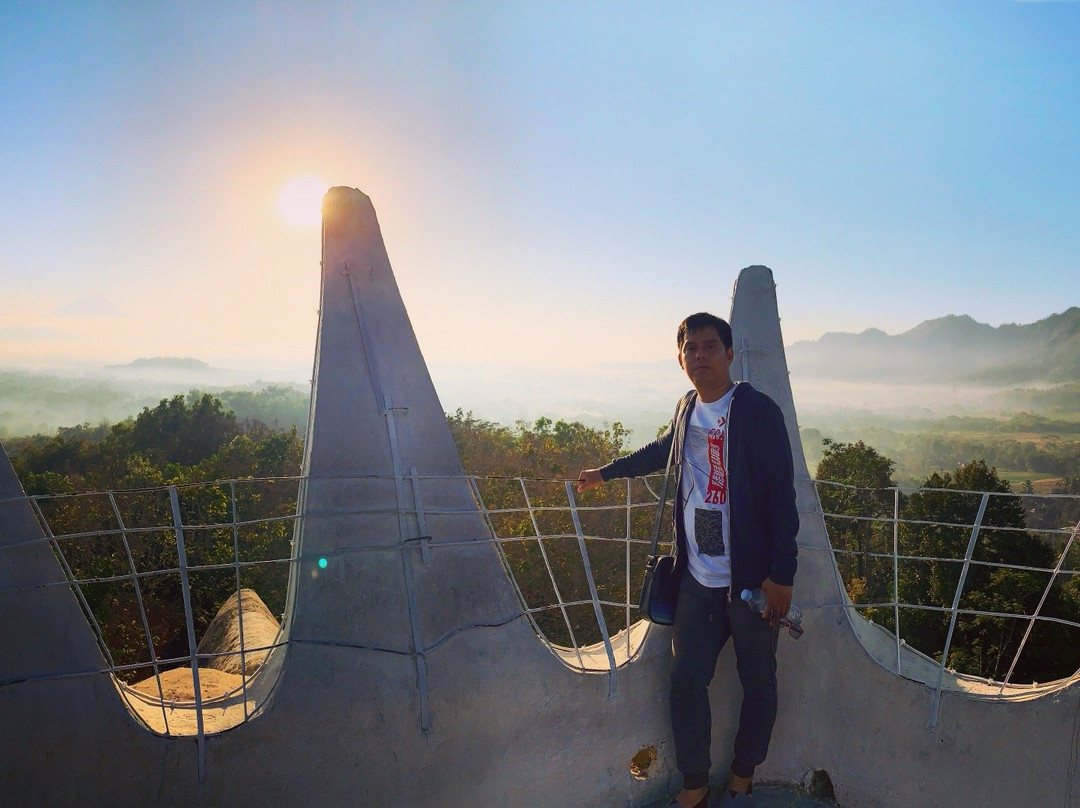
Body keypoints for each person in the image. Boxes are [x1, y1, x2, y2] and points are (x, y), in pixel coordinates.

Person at [577, 312, 799, 808]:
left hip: (750, 582)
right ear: (681, 359)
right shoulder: (686, 409)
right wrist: (607, 473)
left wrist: (781, 575)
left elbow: (781, 497)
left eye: (709, 346)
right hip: (698, 578)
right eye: (690, 348)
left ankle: (742, 778)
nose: (699, 355)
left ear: (729, 354)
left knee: (758, 681)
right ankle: (694, 786)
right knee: (684, 681)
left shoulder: (757, 412)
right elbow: (664, 450)